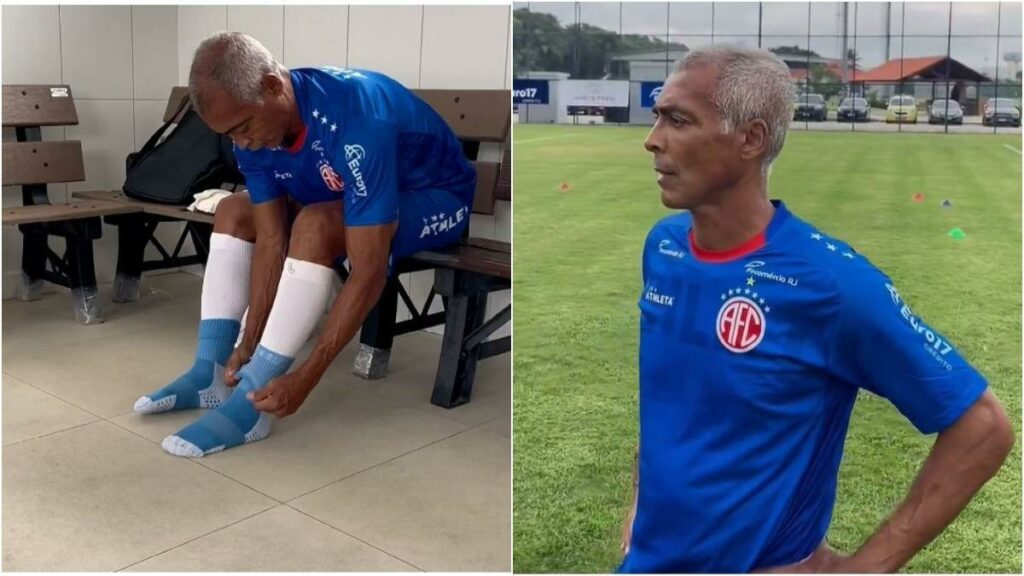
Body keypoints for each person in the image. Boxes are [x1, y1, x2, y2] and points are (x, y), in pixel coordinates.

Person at [619, 45, 1014, 573]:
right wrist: (639, 505)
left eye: (679, 120)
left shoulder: (831, 285)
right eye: (657, 116)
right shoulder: (664, 247)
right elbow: (670, 400)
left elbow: (983, 426)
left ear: (751, 139)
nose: (653, 140)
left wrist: (866, 566)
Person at [133, 31, 476, 458]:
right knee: (233, 212)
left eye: (242, 128)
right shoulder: (254, 126)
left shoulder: (356, 119)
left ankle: (253, 402)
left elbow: (369, 272)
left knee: (314, 224)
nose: (240, 144)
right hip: (355, 192)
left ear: (274, 86)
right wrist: (248, 338)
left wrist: (307, 375)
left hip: (435, 196)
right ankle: (210, 371)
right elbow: (272, 237)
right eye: (228, 135)